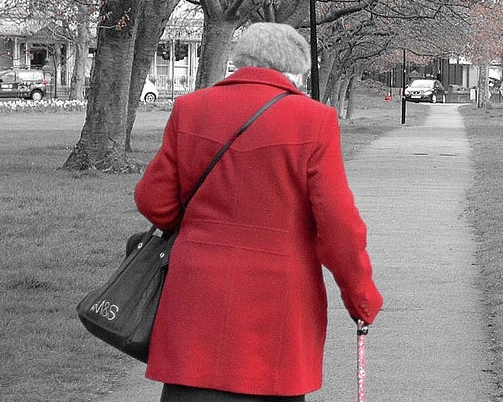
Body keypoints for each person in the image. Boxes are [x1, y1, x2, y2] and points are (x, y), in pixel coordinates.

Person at [134, 22, 383, 401]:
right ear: (295, 71)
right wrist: (360, 297)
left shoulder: (190, 108)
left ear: (240, 61)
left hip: (195, 300)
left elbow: (154, 201)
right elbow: (338, 227)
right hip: (276, 307)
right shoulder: (313, 120)